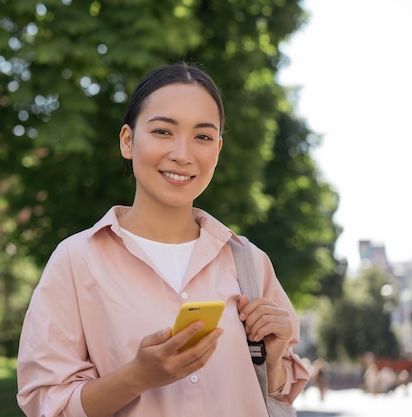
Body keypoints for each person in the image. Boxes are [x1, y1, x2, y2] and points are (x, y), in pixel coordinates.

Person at [16, 63, 309, 417]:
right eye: (163, 131)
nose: (183, 154)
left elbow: (277, 396)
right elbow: (48, 406)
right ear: (128, 140)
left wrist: (273, 359)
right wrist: (137, 377)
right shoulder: (77, 261)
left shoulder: (249, 262)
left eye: (202, 136)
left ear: (217, 148)